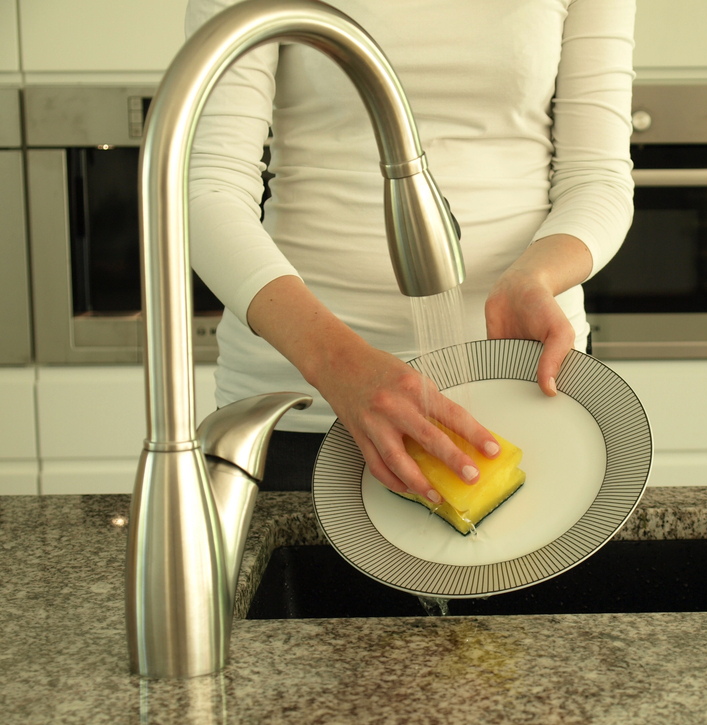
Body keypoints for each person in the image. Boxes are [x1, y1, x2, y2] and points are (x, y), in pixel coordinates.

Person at [184, 0, 636, 498]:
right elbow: (207, 190)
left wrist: (537, 277)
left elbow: (597, 178)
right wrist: (338, 363)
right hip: (305, 403)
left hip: (517, 383)